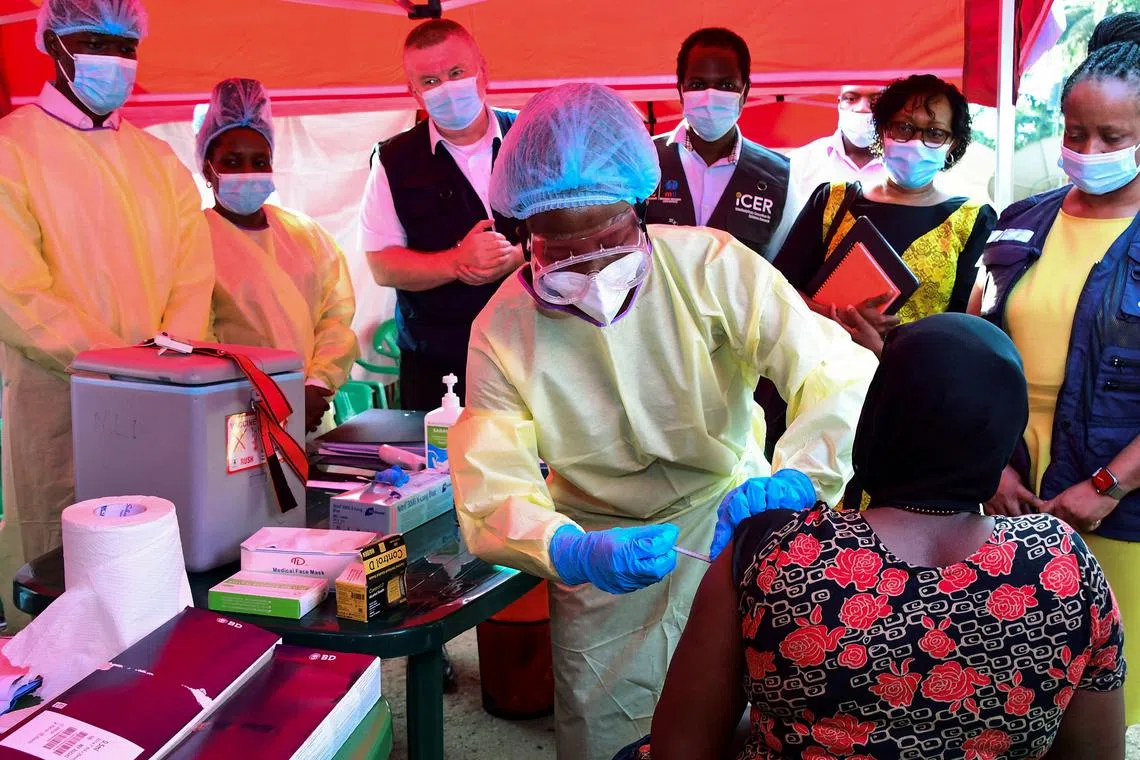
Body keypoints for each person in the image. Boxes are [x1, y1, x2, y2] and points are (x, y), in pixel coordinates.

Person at [449, 82, 877, 760]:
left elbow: (837, 371)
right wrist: (564, 548)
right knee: (607, 728)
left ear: (641, 208)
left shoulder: (710, 267)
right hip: (599, 549)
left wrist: (799, 477)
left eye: (608, 242)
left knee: (746, 719)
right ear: (523, 231)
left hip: (731, 520)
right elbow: (491, 477)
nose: (588, 269)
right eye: (559, 253)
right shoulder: (502, 328)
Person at [636, 314, 1126, 760]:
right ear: (1005, 432)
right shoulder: (1062, 563)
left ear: (875, 417)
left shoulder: (774, 551)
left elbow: (681, 747)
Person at [0, 0, 214, 631]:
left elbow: (192, 272)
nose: (114, 59)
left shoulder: (158, 159)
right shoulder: (12, 150)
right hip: (59, 398)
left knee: (157, 574)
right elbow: (16, 292)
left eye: (126, 46)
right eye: (96, 40)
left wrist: (162, 366)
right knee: (62, 579)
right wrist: (116, 372)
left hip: (165, 402)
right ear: (54, 44)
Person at [981, 11, 1140, 724]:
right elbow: (979, 358)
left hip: (1122, 513)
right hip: (1014, 503)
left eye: (1113, 138)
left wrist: (1106, 487)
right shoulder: (1022, 220)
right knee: (1021, 696)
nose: (1087, 150)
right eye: (1076, 133)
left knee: (1117, 710)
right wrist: (992, 468)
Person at [359, 19, 523, 411]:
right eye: (430, 81)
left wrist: (517, 257)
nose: (447, 88)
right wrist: (456, 262)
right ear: (413, 92)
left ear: (483, 71)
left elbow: (570, 228)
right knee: (434, 469)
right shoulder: (392, 160)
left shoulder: (528, 135)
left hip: (531, 350)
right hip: (438, 365)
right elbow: (383, 266)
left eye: (456, 73)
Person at [773, 74, 997, 357]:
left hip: (919, 389)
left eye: (935, 133)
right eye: (904, 127)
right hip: (826, 379)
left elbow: (967, 329)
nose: (917, 141)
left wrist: (886, 352)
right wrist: (840, 318)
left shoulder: (973, 220)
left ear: (953, 144)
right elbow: (778, 289)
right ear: (882, 131)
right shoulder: (833, 200)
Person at [196, 78, 358, 434]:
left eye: (259, 161)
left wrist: (316, 385)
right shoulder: (193, 240)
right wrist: (275, 396)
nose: (247, 172)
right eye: (232, 162)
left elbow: (336, 320)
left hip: (312, 411)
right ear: (208, 169)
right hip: (236, 417)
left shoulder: (305, 235)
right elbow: (196, 341)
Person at [645, 28, 795, 262]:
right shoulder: (643, 160)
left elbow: (781, 271)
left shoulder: (779, 176)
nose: (709, 97)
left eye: (725, 85)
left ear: (745, 92)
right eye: (697, 84)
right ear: (680, 90)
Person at [787, 84, 889, 207]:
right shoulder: (798, 163)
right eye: (851, 99)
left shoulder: (907, 168)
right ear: (839, 103)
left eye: (876, 100)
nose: (862, 108)